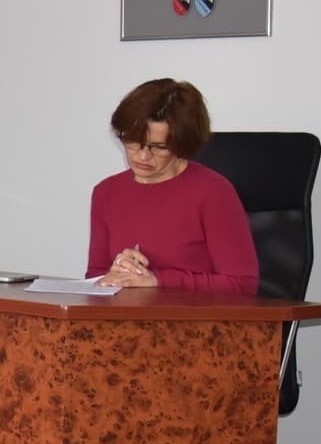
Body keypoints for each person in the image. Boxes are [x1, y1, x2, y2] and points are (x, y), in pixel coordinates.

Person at [86, 78, 258, 296]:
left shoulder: (213, 192)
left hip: (194, 315)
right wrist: (116, 274)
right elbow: (94, 278)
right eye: (133, 141)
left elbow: (242, 284)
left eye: (159, 147)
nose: (142, 156)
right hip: (130, 315)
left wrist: (158, 280)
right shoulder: (106, 193)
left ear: (181, 145)